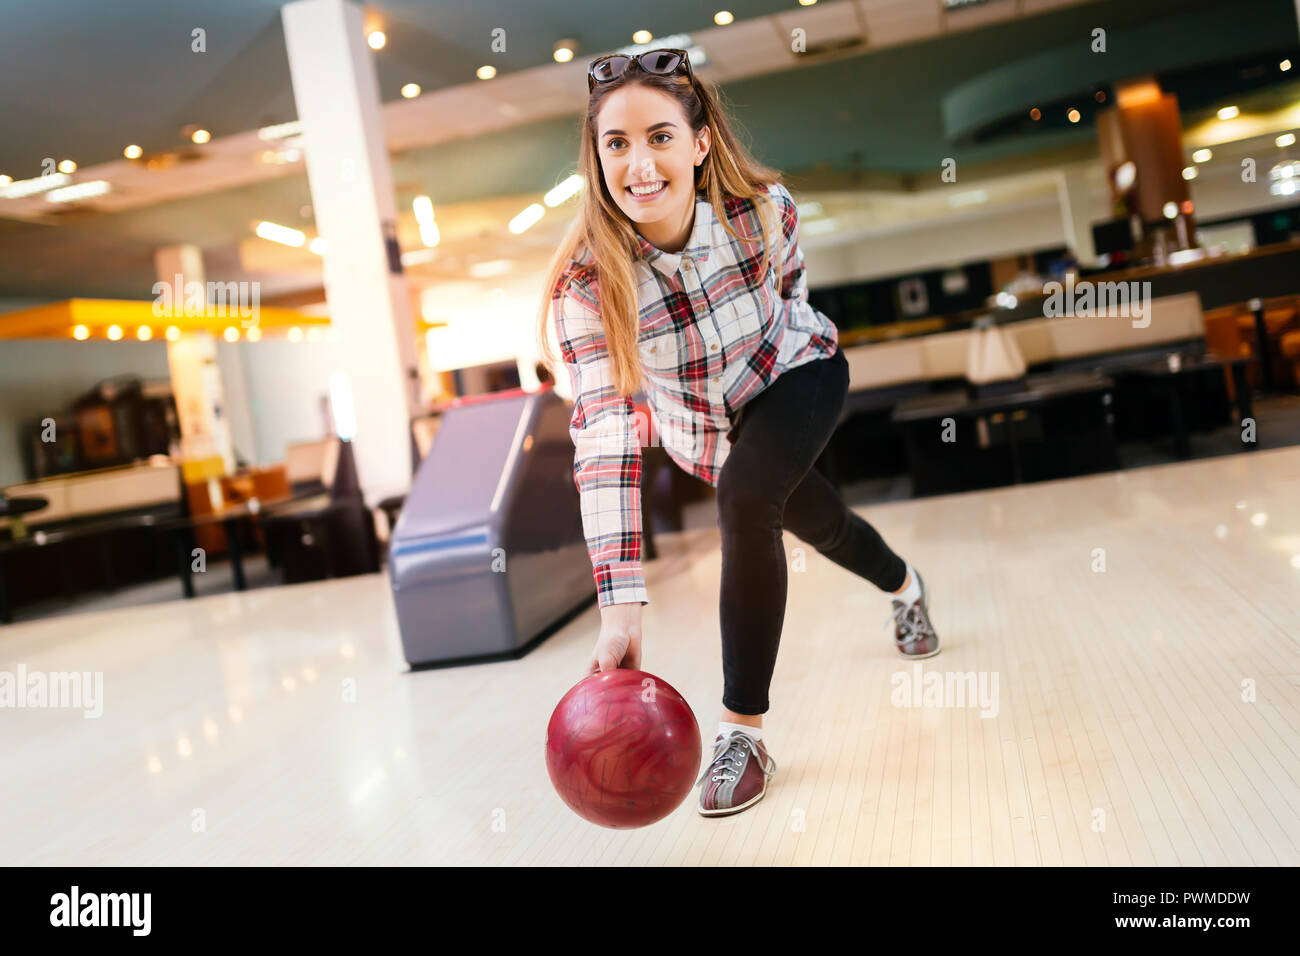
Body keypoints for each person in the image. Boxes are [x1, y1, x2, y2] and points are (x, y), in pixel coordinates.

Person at [535, 49, 940, 818]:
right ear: (596, 159)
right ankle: (907, 587)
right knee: (817, 519)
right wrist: (620, 607)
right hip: (708, 433)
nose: (639, 163)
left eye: (659, 136)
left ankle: (743, 732)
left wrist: (774, 406)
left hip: (796, 370)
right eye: (615, 144)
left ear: (699, 144)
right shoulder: (585, 287)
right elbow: (607, 435)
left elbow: (791, 295)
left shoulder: (763, 210)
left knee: (751, 497)